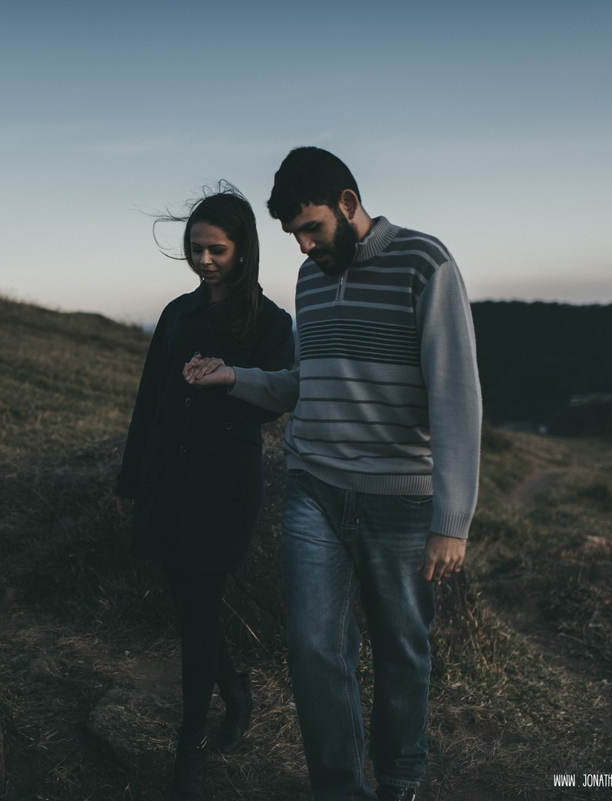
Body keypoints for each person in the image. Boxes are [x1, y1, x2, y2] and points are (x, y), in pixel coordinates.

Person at [184, 148, 481, 801]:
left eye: (313, 228)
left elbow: (455, 394)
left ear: (348, 203)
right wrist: (236, 377)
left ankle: (399, 780)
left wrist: (451, 518)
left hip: (401, 501)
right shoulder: (312, 278)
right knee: (315, 648)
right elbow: (307, 383)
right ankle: (340, 789)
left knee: (402, 649)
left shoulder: (425, 264)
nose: (306, 244)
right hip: (313, 487)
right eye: (295, 235)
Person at [114, 185, 295, 800]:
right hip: (167, 478)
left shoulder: (273, 324)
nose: (204, 261)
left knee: (198, 613)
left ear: (243, 250)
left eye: (216, 249)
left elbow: (278, 399)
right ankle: (236, 689)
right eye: (195, 249)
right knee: (190, 603)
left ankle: (189, 749)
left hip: (223, 487)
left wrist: (229, 380)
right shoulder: (176, 314)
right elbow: (150, 403)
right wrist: (129, 480)